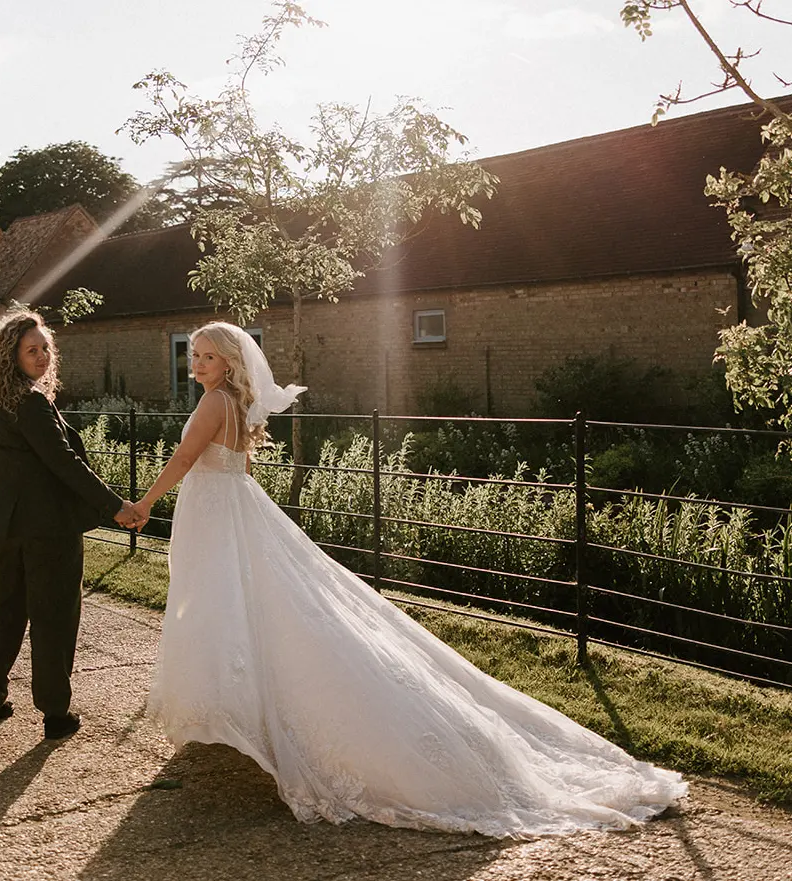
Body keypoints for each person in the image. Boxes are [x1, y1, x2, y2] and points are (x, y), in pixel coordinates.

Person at [128, 321, 687, 837]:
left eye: (206, 357)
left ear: (229, 362)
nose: (196, 364)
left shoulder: (211, 404)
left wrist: (145, 503)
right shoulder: (236, 403)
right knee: (241, 600)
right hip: (233, 505)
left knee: (226, 601)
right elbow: (240, 467)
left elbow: (182, 460)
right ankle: (240, 713)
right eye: (193, 356)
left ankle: (252, 712)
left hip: (215, 508)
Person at [0, 311, 142, 740]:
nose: (43, 356)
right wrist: (115, 506)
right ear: (12, 356)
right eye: (32, 350)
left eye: (46, 347)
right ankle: (55, 715)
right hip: (45, 528)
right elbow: (65, 464)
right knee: (54, 617)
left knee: (5, 612)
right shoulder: (30, 404)